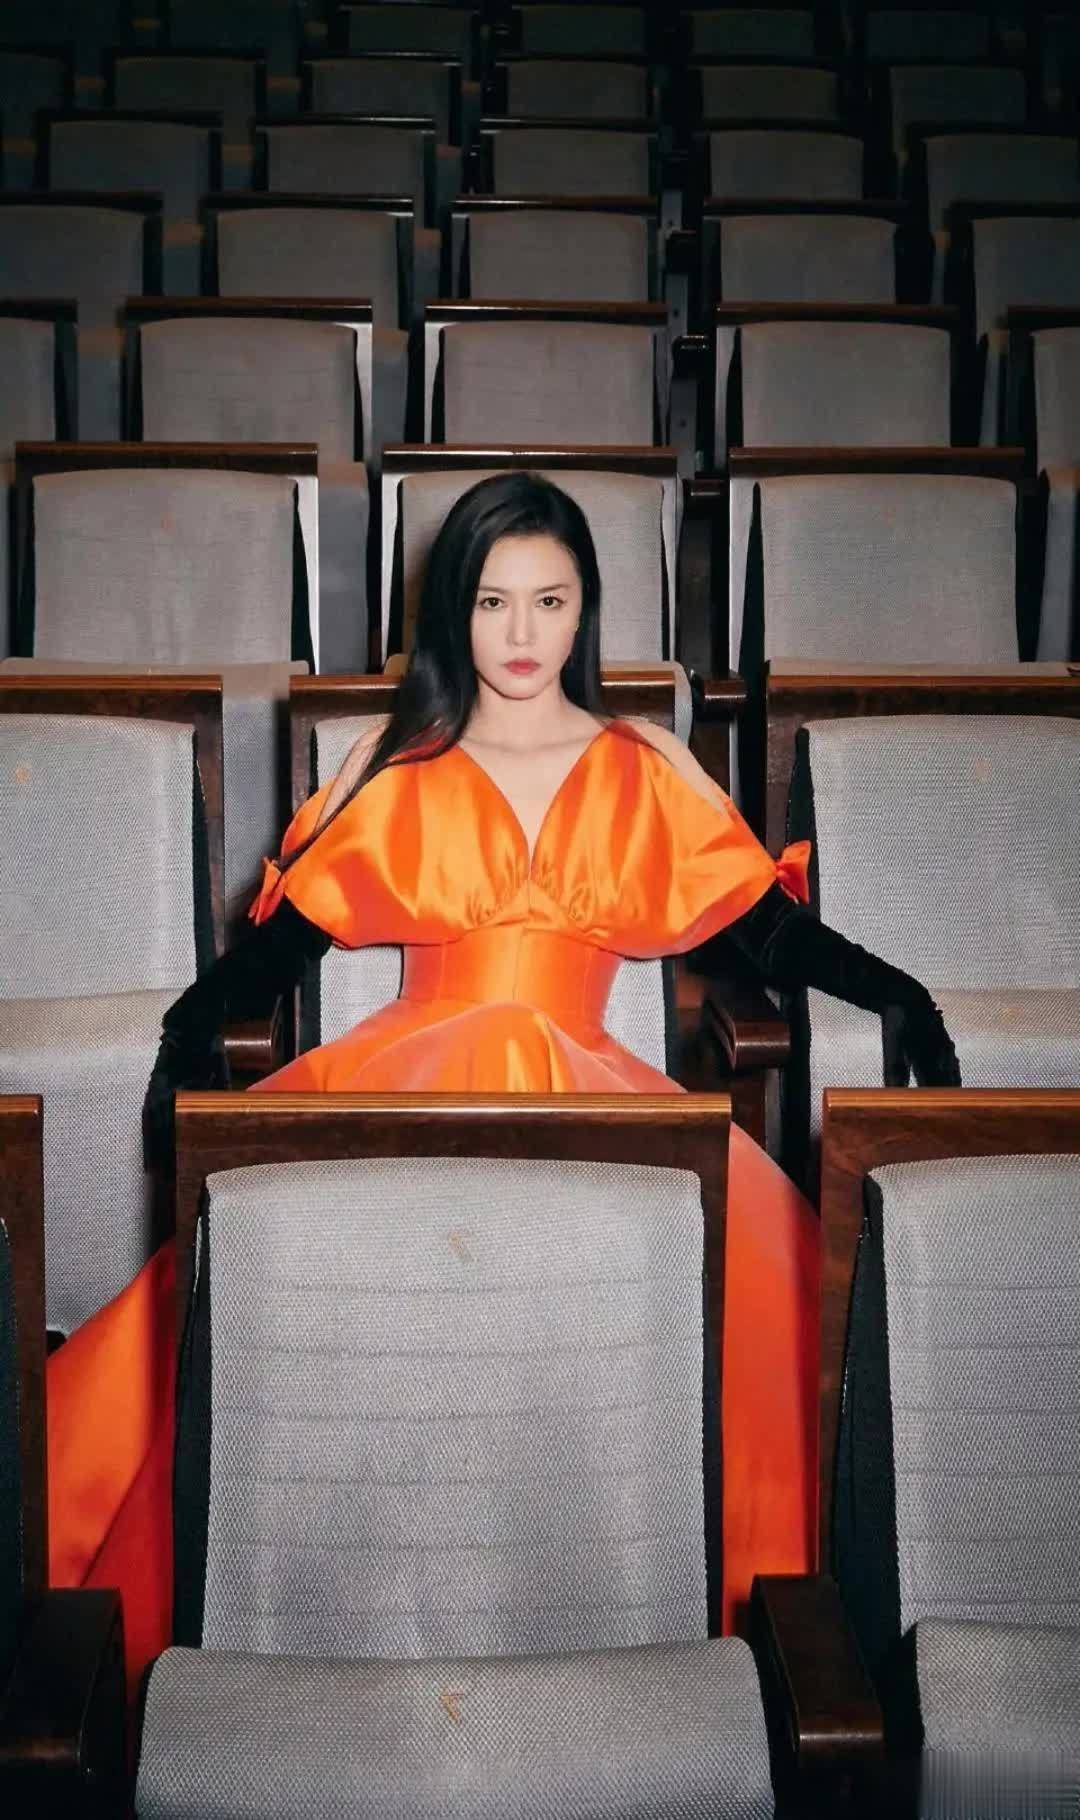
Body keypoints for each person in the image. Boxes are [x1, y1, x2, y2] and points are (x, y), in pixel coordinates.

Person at [51, 473, 960, 1690]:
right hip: (410, 1079)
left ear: (587, 609)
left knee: (758, 1332)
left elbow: (767, 929)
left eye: (550, 599)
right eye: (493, 601)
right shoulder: (398, 760)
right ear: (454, 612)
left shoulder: (645, 761)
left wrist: (896, 989)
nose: (523, 632)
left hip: (598, 1095)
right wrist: (191, 1021)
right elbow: (281, 945)